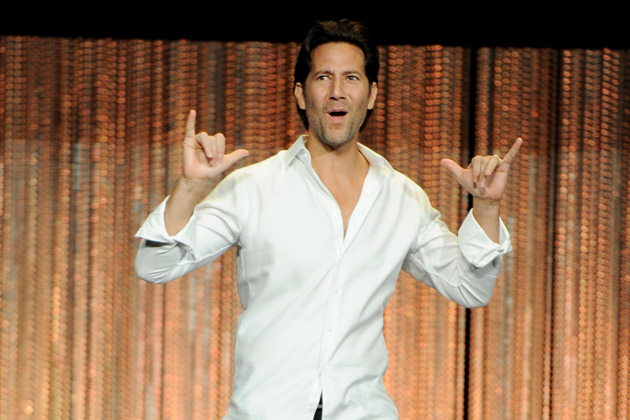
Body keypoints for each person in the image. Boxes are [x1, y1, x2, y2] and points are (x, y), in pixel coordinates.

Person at [135, 19, 521, 420]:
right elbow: (154, 265)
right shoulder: (254, 187)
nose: (338, 91)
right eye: (323, 77)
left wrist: (486, 207)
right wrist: (190, 186)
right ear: (301, 95)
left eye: (351, 78)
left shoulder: (403, 198)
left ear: (371, 95)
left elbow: (470, 288)